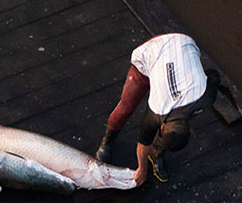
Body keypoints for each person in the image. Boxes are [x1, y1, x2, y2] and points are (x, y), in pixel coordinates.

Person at [94, 32, 220, 185]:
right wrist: (142, 169)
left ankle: (156, 153)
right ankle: (108, 141)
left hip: (184, 44)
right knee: (125, 108)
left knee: (174, 131)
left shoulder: (206, 97)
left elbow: (213, 75)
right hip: (153, 52)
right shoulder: (157, 109)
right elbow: (143, 142)